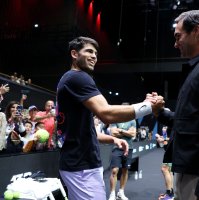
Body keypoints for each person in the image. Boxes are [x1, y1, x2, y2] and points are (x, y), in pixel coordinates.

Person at [56, 36, 163, 200]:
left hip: (79, 163)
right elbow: (106, 114)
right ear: (74, 54)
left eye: (96, 53)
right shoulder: (78, 77)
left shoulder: (71, 79)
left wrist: (113, 140)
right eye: (89, 51)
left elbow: (88, 131)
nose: (94, 56)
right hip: (81, 166)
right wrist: (148, 106)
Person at [150, 10, 199, 200]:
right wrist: (159, 112)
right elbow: (186, 120)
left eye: (178, 36)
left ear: (196, 31)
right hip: (187, 168)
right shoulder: (193, 70)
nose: (175, 43)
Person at [108, 117, 137, 200]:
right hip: (116, 147)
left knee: (125, 170)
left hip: (129, 148)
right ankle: (112, 194)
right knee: (114, 170)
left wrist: (120, 130)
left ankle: (121, 192)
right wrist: (127, 132)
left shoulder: (132, 120)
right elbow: (113, 133)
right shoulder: (115, 119)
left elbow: (133, 134)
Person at [156, 126, 174, 200]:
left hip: (172, 149)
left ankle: (170, 195)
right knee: (169, 170)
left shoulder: (174, 122)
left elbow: (176, 138)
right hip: (169, 149)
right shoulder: (168, 124)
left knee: (165, 169)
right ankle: (170, 193)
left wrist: (164, 139)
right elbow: (167, 138)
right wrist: (162, 138)